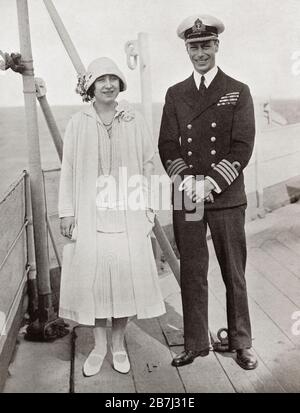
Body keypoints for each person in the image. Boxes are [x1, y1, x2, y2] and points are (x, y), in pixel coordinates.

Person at [158, 14, 258, 370]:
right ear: (187, 49)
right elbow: (168, 144)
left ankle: (240, 341)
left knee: (234, 272)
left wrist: (210, 182)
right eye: (193, 46)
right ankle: (197, 342)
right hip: (187, 194)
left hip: (225, 194)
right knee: (193, 271)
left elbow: (242, 146)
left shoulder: (238, 90)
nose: (200, 52)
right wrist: (187, 181)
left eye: (206, 45)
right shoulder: (175, 94)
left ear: (217, 46)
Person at [58, 57, 165, 377]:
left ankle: (118, 345)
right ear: (90, 86)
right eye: (101, 79)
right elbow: (69, 171)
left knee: (122, 283)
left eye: (113, 79)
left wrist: (149, 209)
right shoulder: (78, 122)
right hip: (91, 217)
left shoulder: (134, 119)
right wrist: (67, 212)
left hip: (127, 215)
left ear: (120, 84)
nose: (107, 84)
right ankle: (98, 346)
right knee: (94, 285)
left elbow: (149, 164)